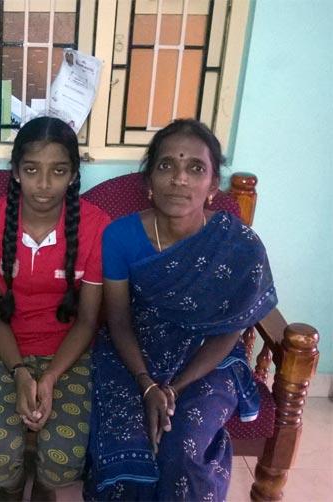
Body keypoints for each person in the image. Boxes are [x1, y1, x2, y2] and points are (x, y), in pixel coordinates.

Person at [84, 119, 277, 501]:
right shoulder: (120, 236)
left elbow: (229, 331)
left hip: (208, 356)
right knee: (127, 449)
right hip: (135, 351)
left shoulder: (238, 245)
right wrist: (148, 385)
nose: (180, 179)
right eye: (166, 165)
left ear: (212, 185)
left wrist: (174, 389)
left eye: (195, 168)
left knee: (184, 444)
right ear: (149, 181)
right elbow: (119, 320)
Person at [0, 117, 110, 501]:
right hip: (2, 350)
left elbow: (87, 321)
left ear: (73, 174)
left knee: (64, 458)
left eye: (58, 171)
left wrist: (48, 378)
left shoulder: (96, 226)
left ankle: (44, 487)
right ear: (15, 172)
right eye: (32, 170)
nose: (44, 185)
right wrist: (19, 374)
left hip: (69, 352)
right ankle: (13, 488)